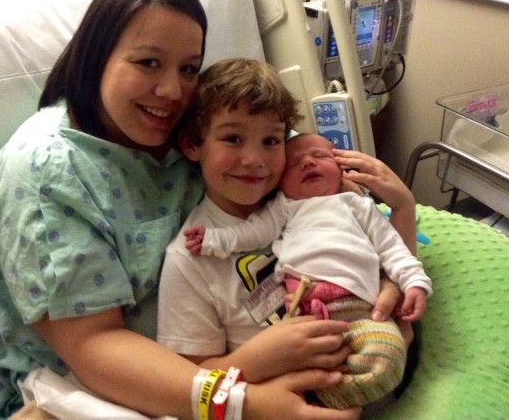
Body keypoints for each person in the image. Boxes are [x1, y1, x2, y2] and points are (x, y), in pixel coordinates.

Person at [0, 0, 402, 420]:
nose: (171, 90)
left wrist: (377, 275)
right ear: (97, 56)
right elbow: (93, 345)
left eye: (188, 68)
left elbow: (318, 188)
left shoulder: (197, 122)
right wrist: (245, 403)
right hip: (82, 387)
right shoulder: (48, 174)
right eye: (148, 63)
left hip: (244, 347)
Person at [157, 58, 424, 416]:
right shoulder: (190, 260)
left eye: (271, 140)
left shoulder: (309, 197)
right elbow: (189, 380)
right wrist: (253, 361)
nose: (254, 159)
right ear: (192, 144)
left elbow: (382, 246)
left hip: (373, 357)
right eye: (233, 138)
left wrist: (402, 214)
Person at [182, 131, 432, 409]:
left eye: (320, 156)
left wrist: (413, 281)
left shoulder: (357, 205)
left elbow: (392, 248)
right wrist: (212, 240)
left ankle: (344, 400)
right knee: (304, 368)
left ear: (341, 169)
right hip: (307, 310)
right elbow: (249, 234)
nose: (308, 163)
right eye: (294, 163)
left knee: (387, 354)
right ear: (280, 182)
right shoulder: (284, 208)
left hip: (362, 306)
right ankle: (325, 399)